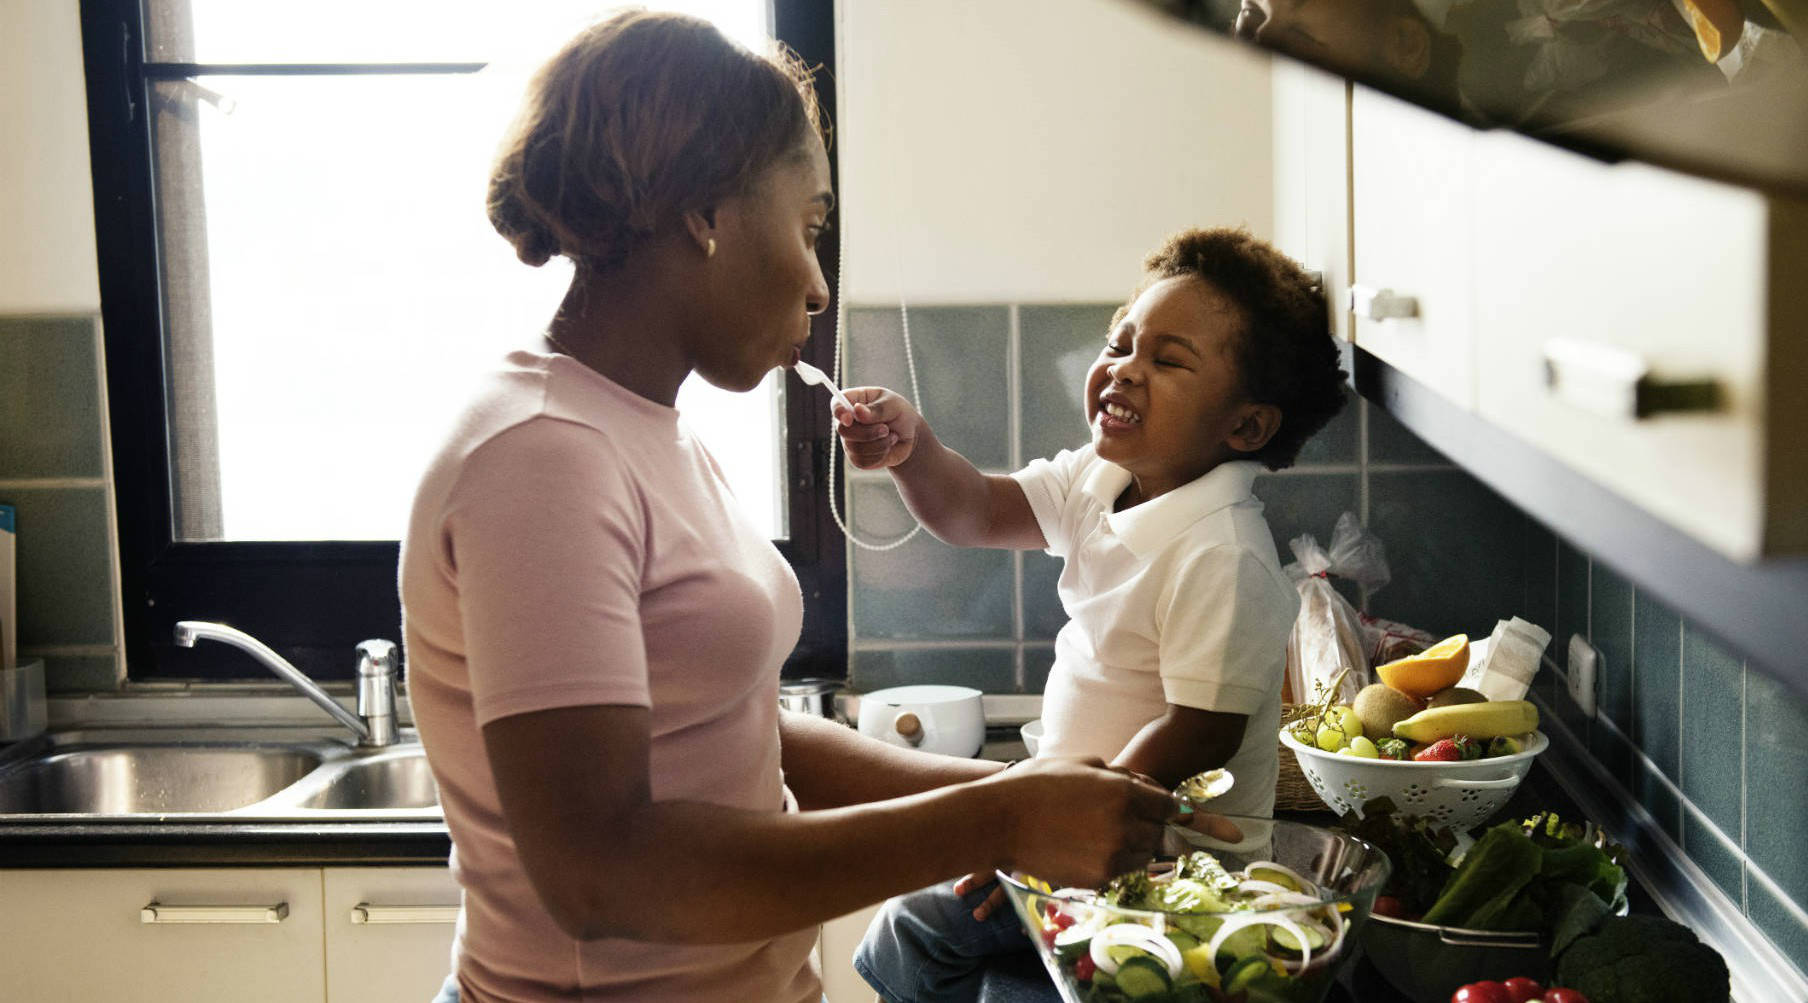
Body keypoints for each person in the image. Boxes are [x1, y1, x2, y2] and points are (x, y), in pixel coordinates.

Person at [399, 10, 1232, 1003]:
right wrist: (1001, 822)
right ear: (707, 213)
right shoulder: (540, 455)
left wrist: (1020, 795)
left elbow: (739, 729)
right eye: (809, 225)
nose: (817, 280)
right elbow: (603, 871)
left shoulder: (640, 427)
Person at [842, 227, 1350, 1003]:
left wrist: (1046, 822)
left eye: (1168, 360)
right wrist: (914, 450)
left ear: (1245, 426)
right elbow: (978, 509)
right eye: (1121, 343)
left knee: (916, 923)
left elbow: (1199, 731)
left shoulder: (1223, 552)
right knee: (945, 932)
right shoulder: (1100, 475)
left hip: (1163, 869)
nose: (1125, 370)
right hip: (1072, 833)